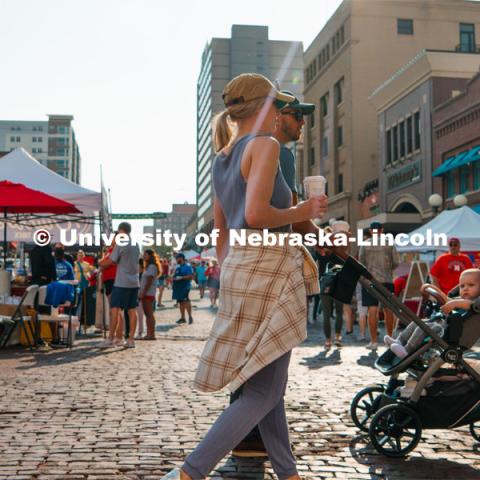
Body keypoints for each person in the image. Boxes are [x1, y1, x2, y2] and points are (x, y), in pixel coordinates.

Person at [160, 73, 327, 480]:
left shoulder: (222, 156)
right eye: (278, 105)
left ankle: (288, 473)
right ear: (265, 107)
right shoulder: (265, 145)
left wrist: (233, 267)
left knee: (265, 383)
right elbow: (257, 216)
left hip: (237, 267)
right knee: (266, 389)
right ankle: (189, 472)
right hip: (269, 266)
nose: (283, 113)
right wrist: (304, 211)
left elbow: (222, 231)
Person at [385, 269, 480, 358]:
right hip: (445, 328)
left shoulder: (476, 302)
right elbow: (446, 299)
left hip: (456, 337)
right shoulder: (462, 299)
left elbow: (469, 305)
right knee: (419, 322)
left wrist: (455, 303)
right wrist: (431, 287)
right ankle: (399, 341)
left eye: (471, 285)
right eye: (462, 286)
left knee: (424, 328)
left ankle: (406, 351)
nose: (465, 289)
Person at [358, 221, 399, 351]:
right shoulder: (389, 243)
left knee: (372, 311)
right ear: (382, 230)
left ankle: (374, 342)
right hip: (387, 280)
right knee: (388, 310)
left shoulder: (365, 244)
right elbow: (396, 262)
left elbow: (361, 262)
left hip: (370, 280)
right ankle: (390, 339)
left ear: (370, 231)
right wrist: (387, 270)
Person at [99, 222, 140, 348]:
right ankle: (131, 340)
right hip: (134, 281)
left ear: (121, 231)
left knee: (115, 309)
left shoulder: (120, 243)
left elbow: (111, 261)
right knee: (132, 310)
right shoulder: (136, 244)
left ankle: (111, 339)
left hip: (121, 282)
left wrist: (100, 263)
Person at [140, 249, 160, 339]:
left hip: (148, 293)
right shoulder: (149, 266)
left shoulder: (152, 266)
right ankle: (149, 333)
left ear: (150, 256)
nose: (144, 256)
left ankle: (151, 334)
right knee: (148, 314)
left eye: (145, 254)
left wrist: (143, 293)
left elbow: (149, 281)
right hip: (147, 292)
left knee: (149, 314)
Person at [172, 252, 194, 325]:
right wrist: (173, 278)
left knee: (186, 300)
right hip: (179, 287)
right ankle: (183, 318)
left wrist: (181, 277)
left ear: (181, 258)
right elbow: (175, 276)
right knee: (181, 302)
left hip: (186, 286)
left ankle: (190, 317)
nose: (176, 259)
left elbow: (191, 276)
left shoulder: (187, 266)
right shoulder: (178, 267)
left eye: (177, 258)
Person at [136, 258, 145, 339]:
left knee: (140, 315)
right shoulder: (137, 274)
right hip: (135, 295)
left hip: (140, 296)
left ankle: (140, 332)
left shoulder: (143, 275)